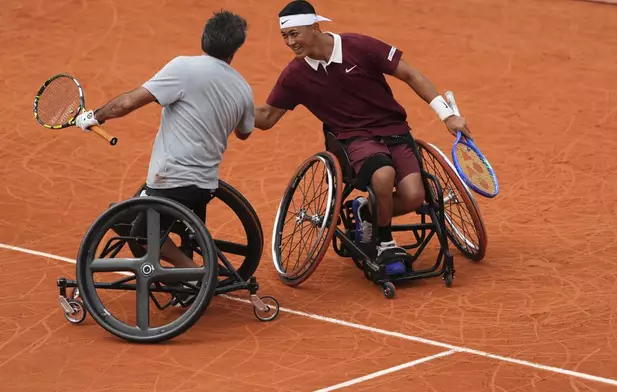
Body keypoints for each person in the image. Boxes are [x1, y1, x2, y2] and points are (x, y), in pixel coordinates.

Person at [254, 0, 473, 275]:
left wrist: (447, 115)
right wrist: (230, 108)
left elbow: (411, 74)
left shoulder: (359, 46)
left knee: (415, 196)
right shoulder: (295, 75)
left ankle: (366, 212)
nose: (289, 42)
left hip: (394, 129)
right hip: (353, 138)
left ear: (315, 27)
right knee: (383, 173)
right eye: (285, 36)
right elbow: (267, 117)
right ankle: (385, 243)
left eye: (294, 33)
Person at [74, 10, 254, 280]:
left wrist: (93, 117)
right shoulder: (243, 88)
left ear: (204, 38)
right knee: (123, 212)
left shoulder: (184, 68)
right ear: (235, 49)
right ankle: (192, 275)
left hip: (171, 180)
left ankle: (199, 274)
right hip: (205, 185)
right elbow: (244, 132)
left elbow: (127, 103)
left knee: (140, 236)